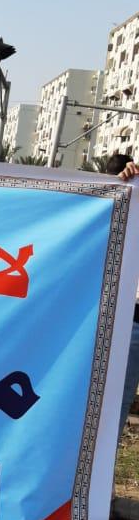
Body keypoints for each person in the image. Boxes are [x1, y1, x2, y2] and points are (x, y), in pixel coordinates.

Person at [108, 154, 139, 435]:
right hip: (119, 314)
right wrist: (123, 184)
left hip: (132, 320)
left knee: (115, 402)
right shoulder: (133, 186)